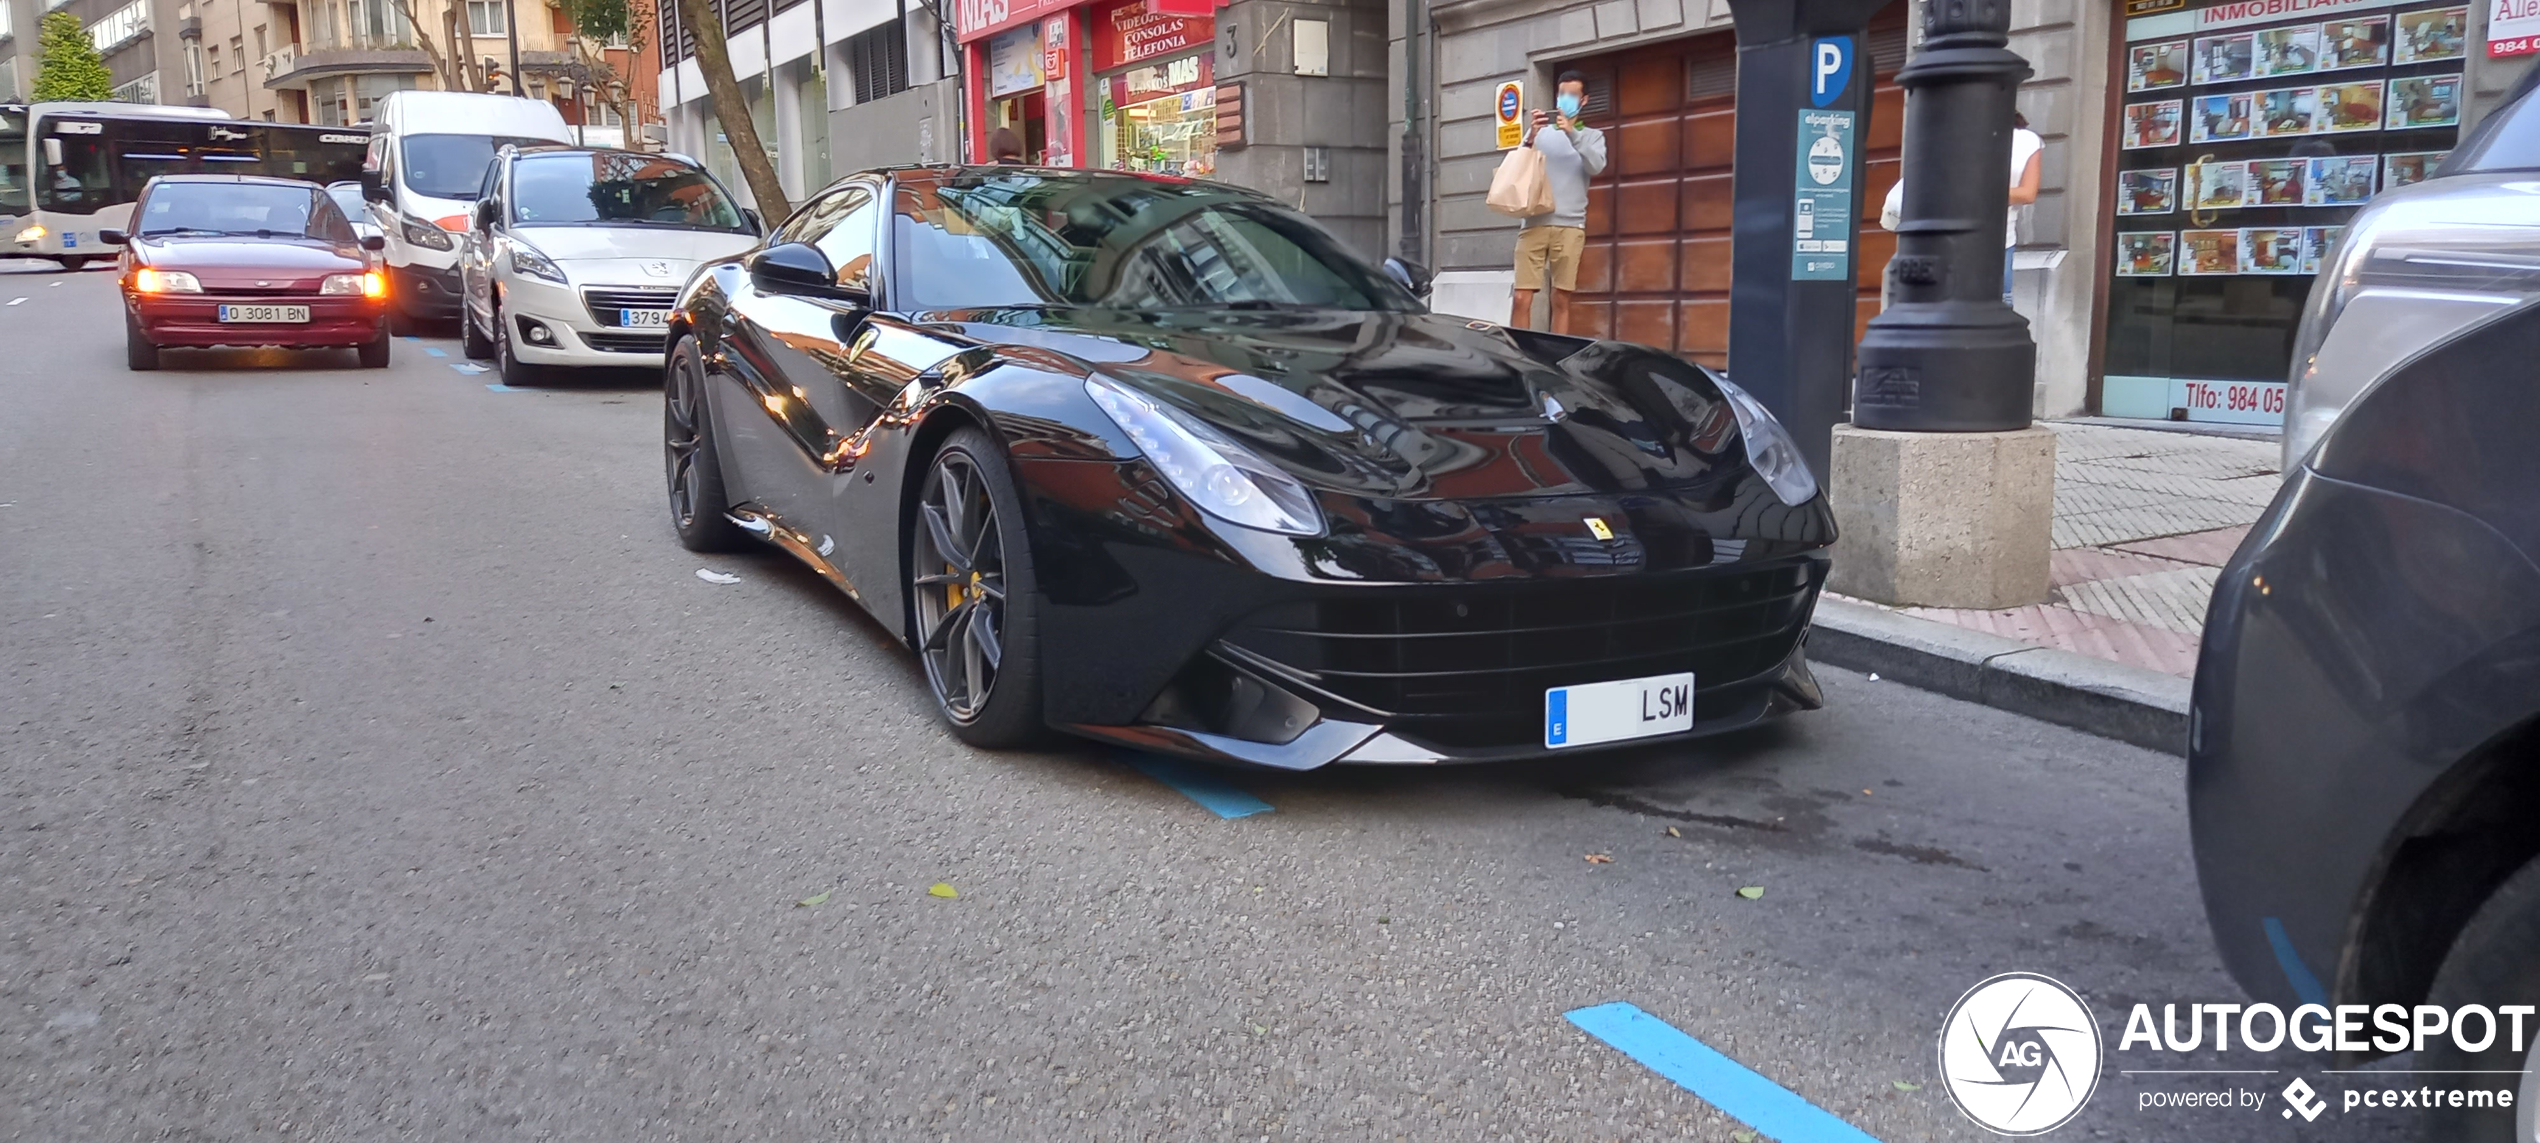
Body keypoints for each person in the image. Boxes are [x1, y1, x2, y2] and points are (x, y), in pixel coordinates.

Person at [1879, 109, 2041, 305]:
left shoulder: (1960, 135)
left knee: (1924, 304)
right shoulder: (2028, 140)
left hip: (1952, 238)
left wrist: (1972, 189)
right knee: (1996, 309)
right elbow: (2027, 193)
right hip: (1998, 240)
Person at [1510, 71, 1607, 333]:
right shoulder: (1541, 134)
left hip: (1571, 226)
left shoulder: (1593, 136)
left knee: (1561, 298)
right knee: (1521, 298)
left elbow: (1596, 166)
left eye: (1572, 94)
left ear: (1584, 100)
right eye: (1562, 93)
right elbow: (1515, 167)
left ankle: (1556, 358)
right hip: (1534, 223)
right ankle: (1519, 354)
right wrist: (1531, 135)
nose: (1566, 99)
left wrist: (1573, 134)